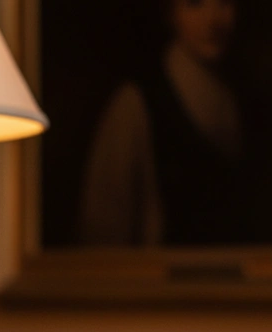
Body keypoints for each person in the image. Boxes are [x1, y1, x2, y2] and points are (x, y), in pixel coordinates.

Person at [78, 0, 246, 246]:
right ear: (170, 13)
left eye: (223, 3)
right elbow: (104, 227)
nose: (213, 20)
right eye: (195, 4)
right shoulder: (136, 103)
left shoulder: (237, 100)